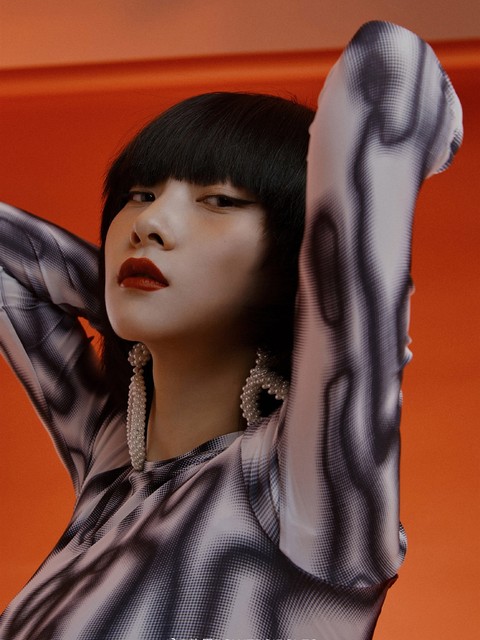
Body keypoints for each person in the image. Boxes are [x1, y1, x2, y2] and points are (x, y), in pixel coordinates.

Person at [0, 21, 462, 640]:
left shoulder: (306, 486)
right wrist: (139, 304)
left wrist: (288, 301)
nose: (149, 223)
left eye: (220, 201)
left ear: (303, 259)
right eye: (139, 194)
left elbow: (388, 67)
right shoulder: (113, 466)